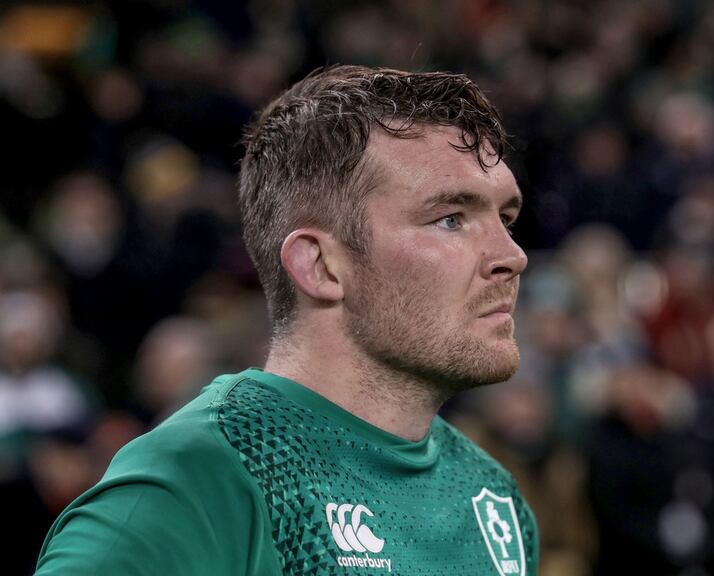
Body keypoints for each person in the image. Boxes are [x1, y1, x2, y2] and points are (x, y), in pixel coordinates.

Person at [35, 65, 539, 575]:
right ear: (319, 266)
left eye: (507, 219)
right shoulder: (198, 484)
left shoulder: (493, 500)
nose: (512, 255)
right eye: (450, 218)